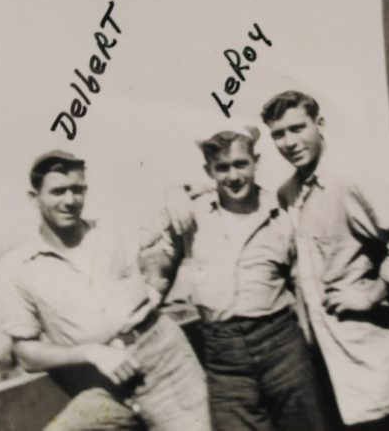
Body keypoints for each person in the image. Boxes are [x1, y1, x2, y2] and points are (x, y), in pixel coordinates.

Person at [260, 90, 389, 430]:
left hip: (373, 359)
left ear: (320, 124)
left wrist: (373, 292)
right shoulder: (288, 194)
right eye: (279, 134)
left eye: (298, 128)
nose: (289, 142)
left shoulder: (347, 179)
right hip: (333, 370)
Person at [0, 150, 211, 431]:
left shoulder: (114, 230)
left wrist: (176, 192)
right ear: (34, 198)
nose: (70, 200)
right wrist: (92, 352)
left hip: (165, 365)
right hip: (100, 383)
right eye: (58, 192)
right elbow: (25, 352)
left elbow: (189, 199)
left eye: (77, 190)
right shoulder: (16, 267)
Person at [139, 125, 327, 431]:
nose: (234, 176)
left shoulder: (282, 212)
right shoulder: (190, 215)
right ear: (209, 171)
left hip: (282, 345)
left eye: (241, 164)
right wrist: (173, 194)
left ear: (256, 162)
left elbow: (304, 284)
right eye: (222, 168)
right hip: (224, 359)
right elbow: (157, 276)